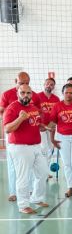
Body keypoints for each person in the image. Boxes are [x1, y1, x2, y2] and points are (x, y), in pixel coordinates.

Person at [3, 85, 49, 214]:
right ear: (18, 93)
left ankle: (36, 198)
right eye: (22, 93)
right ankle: (23, 205)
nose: (26, 95)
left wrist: (42, 126)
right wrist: (20, 118)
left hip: (35, 146)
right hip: (20, 147)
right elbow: (7, 129)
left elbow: (34, 124)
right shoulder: (12, 108)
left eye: (28, 93)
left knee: (43, 172)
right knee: (23, 177)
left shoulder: (33, 108)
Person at [0, 72, 40, 202]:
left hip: (30, 134)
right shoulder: (7, 94)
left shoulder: (32, 94)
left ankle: (29, 191)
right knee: (13, 165)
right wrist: (14, 118)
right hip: (12, 133)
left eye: (27, 83)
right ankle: (13, 192)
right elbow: (2, 112)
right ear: (15, 81)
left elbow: (37, 113)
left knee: (29, 164)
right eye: (21, 83)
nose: (24, 85)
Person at [37, 78, 60, 176]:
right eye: (47, 84)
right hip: (41, 127)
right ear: (44, 84)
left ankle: (45, 171)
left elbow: (57, 115)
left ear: (54, 87)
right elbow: (33, 112)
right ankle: (42, 171)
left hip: (51, 127)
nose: (49, 86)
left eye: (51, 84)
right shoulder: (37, 97)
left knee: (51, 148)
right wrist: (40, 125)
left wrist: (51, 127)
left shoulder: (56, 99)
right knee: (43, 149)